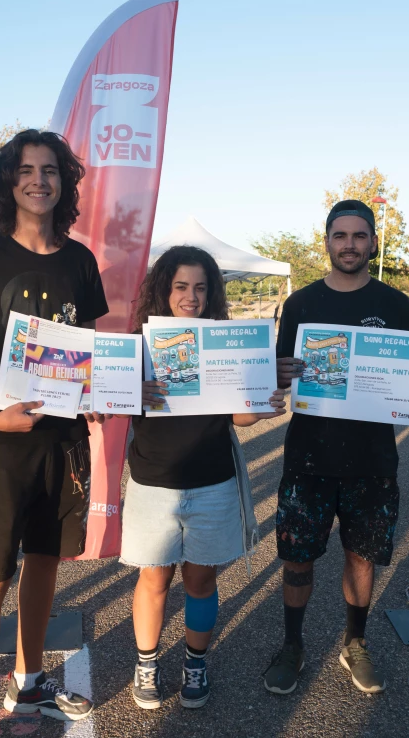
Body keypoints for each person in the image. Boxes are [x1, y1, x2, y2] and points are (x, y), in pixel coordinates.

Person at [0, 130, 110, 738]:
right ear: (9, 181)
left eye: (51, 170)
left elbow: (87, 353)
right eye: (27, 170)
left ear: (65, 183)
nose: (40, 179)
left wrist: (98, 398)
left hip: (64, 446)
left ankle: (29, 683)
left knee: (44, 563)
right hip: (1, 444)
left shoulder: (80, 260)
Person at [263, 200, 409, 696]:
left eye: (359, 236)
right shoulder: (300, 304)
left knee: (361, 557)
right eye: (340, 235)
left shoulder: (394, 303)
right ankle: (293, 645)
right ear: (326, 241)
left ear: (372, 243)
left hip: (372, 458)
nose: (349, 244)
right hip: (309, 455)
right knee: (298, 559)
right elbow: (279, 370)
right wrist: (276, 374)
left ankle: (355, 642)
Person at [119, 245, 286, 710]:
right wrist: (131, 389)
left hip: (213, 481)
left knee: (200, 581)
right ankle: (147, 664)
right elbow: (110, 403)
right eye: (180, 286)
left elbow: (240, 417)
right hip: (153, 482)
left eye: (199, 287)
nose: (190, 297)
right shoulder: (141, 343)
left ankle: (196, 661)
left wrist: (262, 406)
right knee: (153, 580)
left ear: (210, 293)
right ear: (163, 290)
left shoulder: (226, 342)